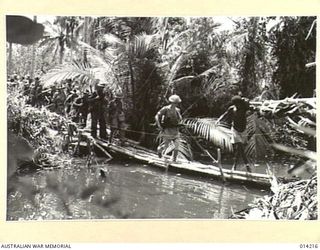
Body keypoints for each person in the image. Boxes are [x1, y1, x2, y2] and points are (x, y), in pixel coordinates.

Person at [216, 95, 253, 172]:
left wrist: (247, 102)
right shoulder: (232, 109)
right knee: (240, 147)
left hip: (243, 130)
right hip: (235, 129)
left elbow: (251, 108)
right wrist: (219, 120)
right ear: (234, 104)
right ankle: (246, 165)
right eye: (236, 104)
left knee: (239, 149)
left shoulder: (244, 108)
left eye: (239, 104)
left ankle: (236, 165)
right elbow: (225, 114)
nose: (238, 105)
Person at [155, 94, 182, 162]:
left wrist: (180, 123)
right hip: (167, 130)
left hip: (175, 130)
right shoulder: (165, 109)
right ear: (172, 102)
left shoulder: (178, 110)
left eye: (177, 103)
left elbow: (179, 119)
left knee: (177, 146)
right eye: (175, 103)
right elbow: (157, 116)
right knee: (166, 145)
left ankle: (174, 159)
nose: (176, 104)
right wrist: (159, 126)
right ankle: (159, 150)